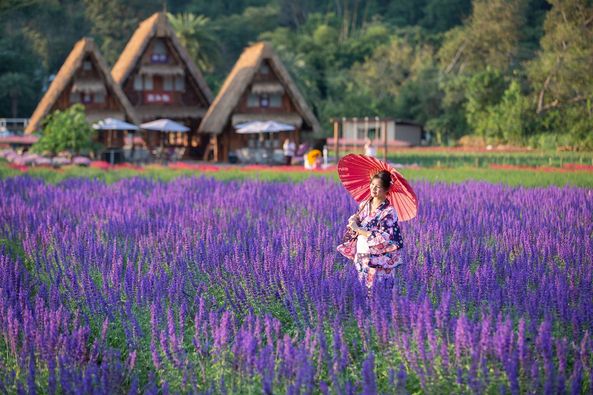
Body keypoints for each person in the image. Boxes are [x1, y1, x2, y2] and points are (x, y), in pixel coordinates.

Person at [337, 170, 404, 290]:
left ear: (386, 190)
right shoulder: (364, 205)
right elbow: (355, 229)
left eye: (378, 187)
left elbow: (383, 238)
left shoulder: (389, 211)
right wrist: (354, 221)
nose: (373, 189)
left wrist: (358, 228)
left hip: (380, 258)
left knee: (379, 290)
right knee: (363, 287)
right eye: (372, 185)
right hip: (362, 253)